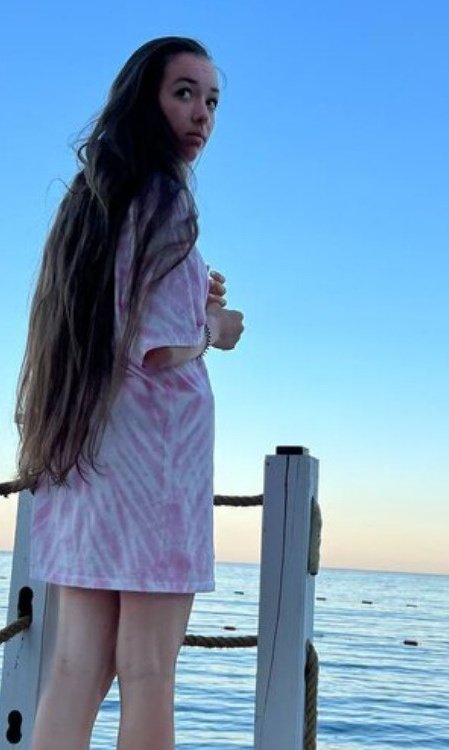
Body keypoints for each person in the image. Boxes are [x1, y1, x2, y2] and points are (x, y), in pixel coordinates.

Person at [15, 37, 244, 750]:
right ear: (145, 99)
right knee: (149, 673)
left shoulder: (90, 204)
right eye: (185, 93)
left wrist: (188, 298)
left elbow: (120, 324)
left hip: (84, 457)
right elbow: (163, 346)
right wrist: (215, 328)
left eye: (212, 100)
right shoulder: (166, 198)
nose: (202, 114)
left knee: (75, 669)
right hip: (154, 470)